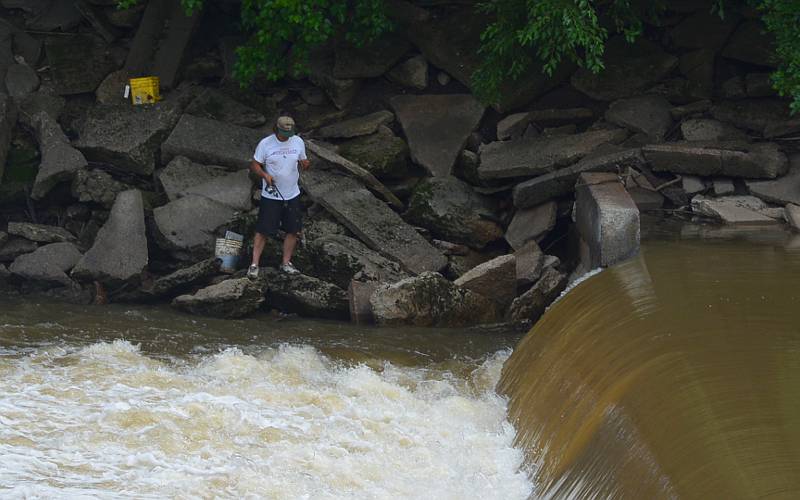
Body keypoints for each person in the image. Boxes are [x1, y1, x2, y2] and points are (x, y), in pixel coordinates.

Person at [247, 115, 310, 279]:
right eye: (284, 133)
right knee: (263, 230)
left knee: (293, 229)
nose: (288, 137)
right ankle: (254, 264)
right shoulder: (266, 144)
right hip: (272, 194)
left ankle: (286, 263)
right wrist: (264, 175)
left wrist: (305, 164)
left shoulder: (297, 141)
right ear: (277, 129)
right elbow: (254, 164)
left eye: (290, 133)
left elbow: (304, 161)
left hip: (292, 193)